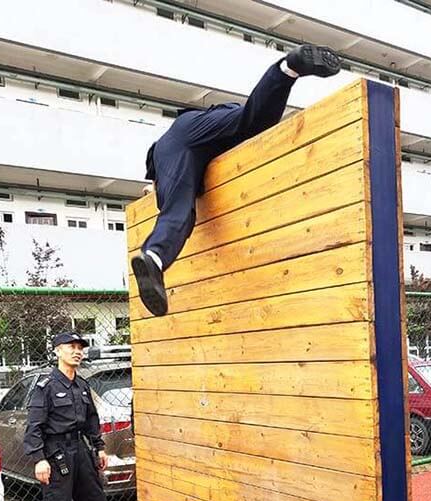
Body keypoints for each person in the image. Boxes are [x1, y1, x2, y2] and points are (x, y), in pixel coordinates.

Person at [131, 43, 342, 316]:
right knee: (251, 125)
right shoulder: (180, 158)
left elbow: (163, 181)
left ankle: (155, 257)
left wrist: (154, 189)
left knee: (179, 210)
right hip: (199, 129)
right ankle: (288, 68)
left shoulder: (169, 161)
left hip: (182, 138)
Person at [24, 332, 133, 501]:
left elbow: (92, 420)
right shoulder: (46, 386)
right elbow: (34, 426)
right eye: (71, 347)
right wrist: (40, 459)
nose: (77, 351)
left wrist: (99, 447)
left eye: (79, 348)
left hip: (81, 451)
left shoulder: (82, 386)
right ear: (57, 352)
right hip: (56, 453)